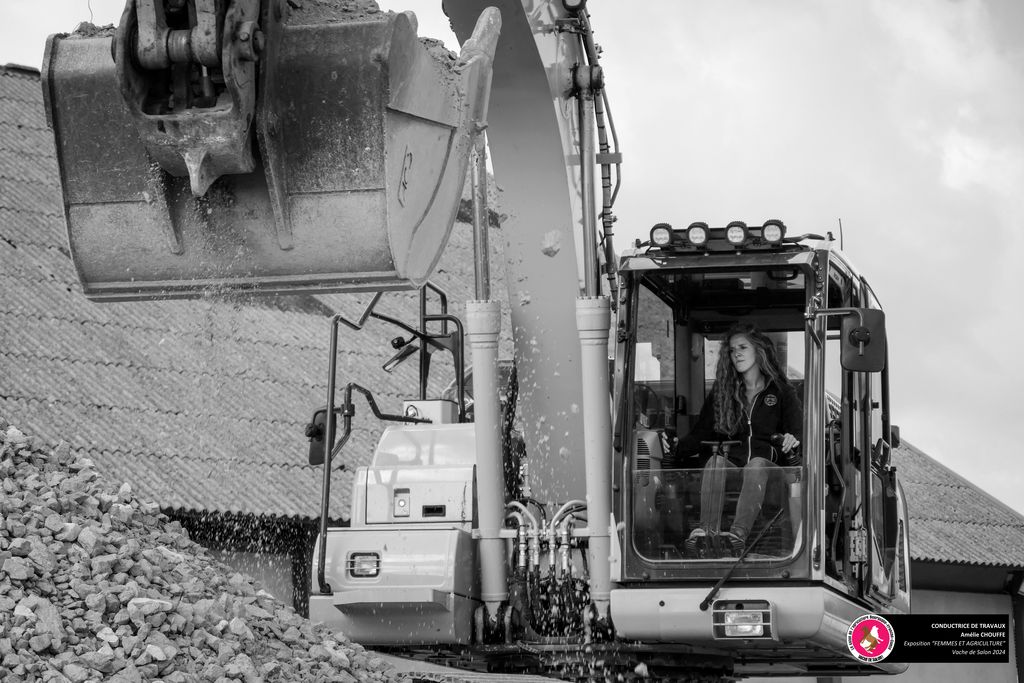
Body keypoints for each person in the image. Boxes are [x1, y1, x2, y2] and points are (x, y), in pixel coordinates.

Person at [668, 323, 802, 555]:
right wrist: (676, 447)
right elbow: (701, 433)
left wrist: (793, 438)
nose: (736, 353)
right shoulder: (723, 393)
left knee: (756, 464)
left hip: (770, 475)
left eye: (742, 347)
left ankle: (737, 535)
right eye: (731, 350)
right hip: (735, 467)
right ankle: (705, 533)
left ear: (758, 350)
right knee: (716, 462)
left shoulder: (781, 392)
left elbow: (798, 432)